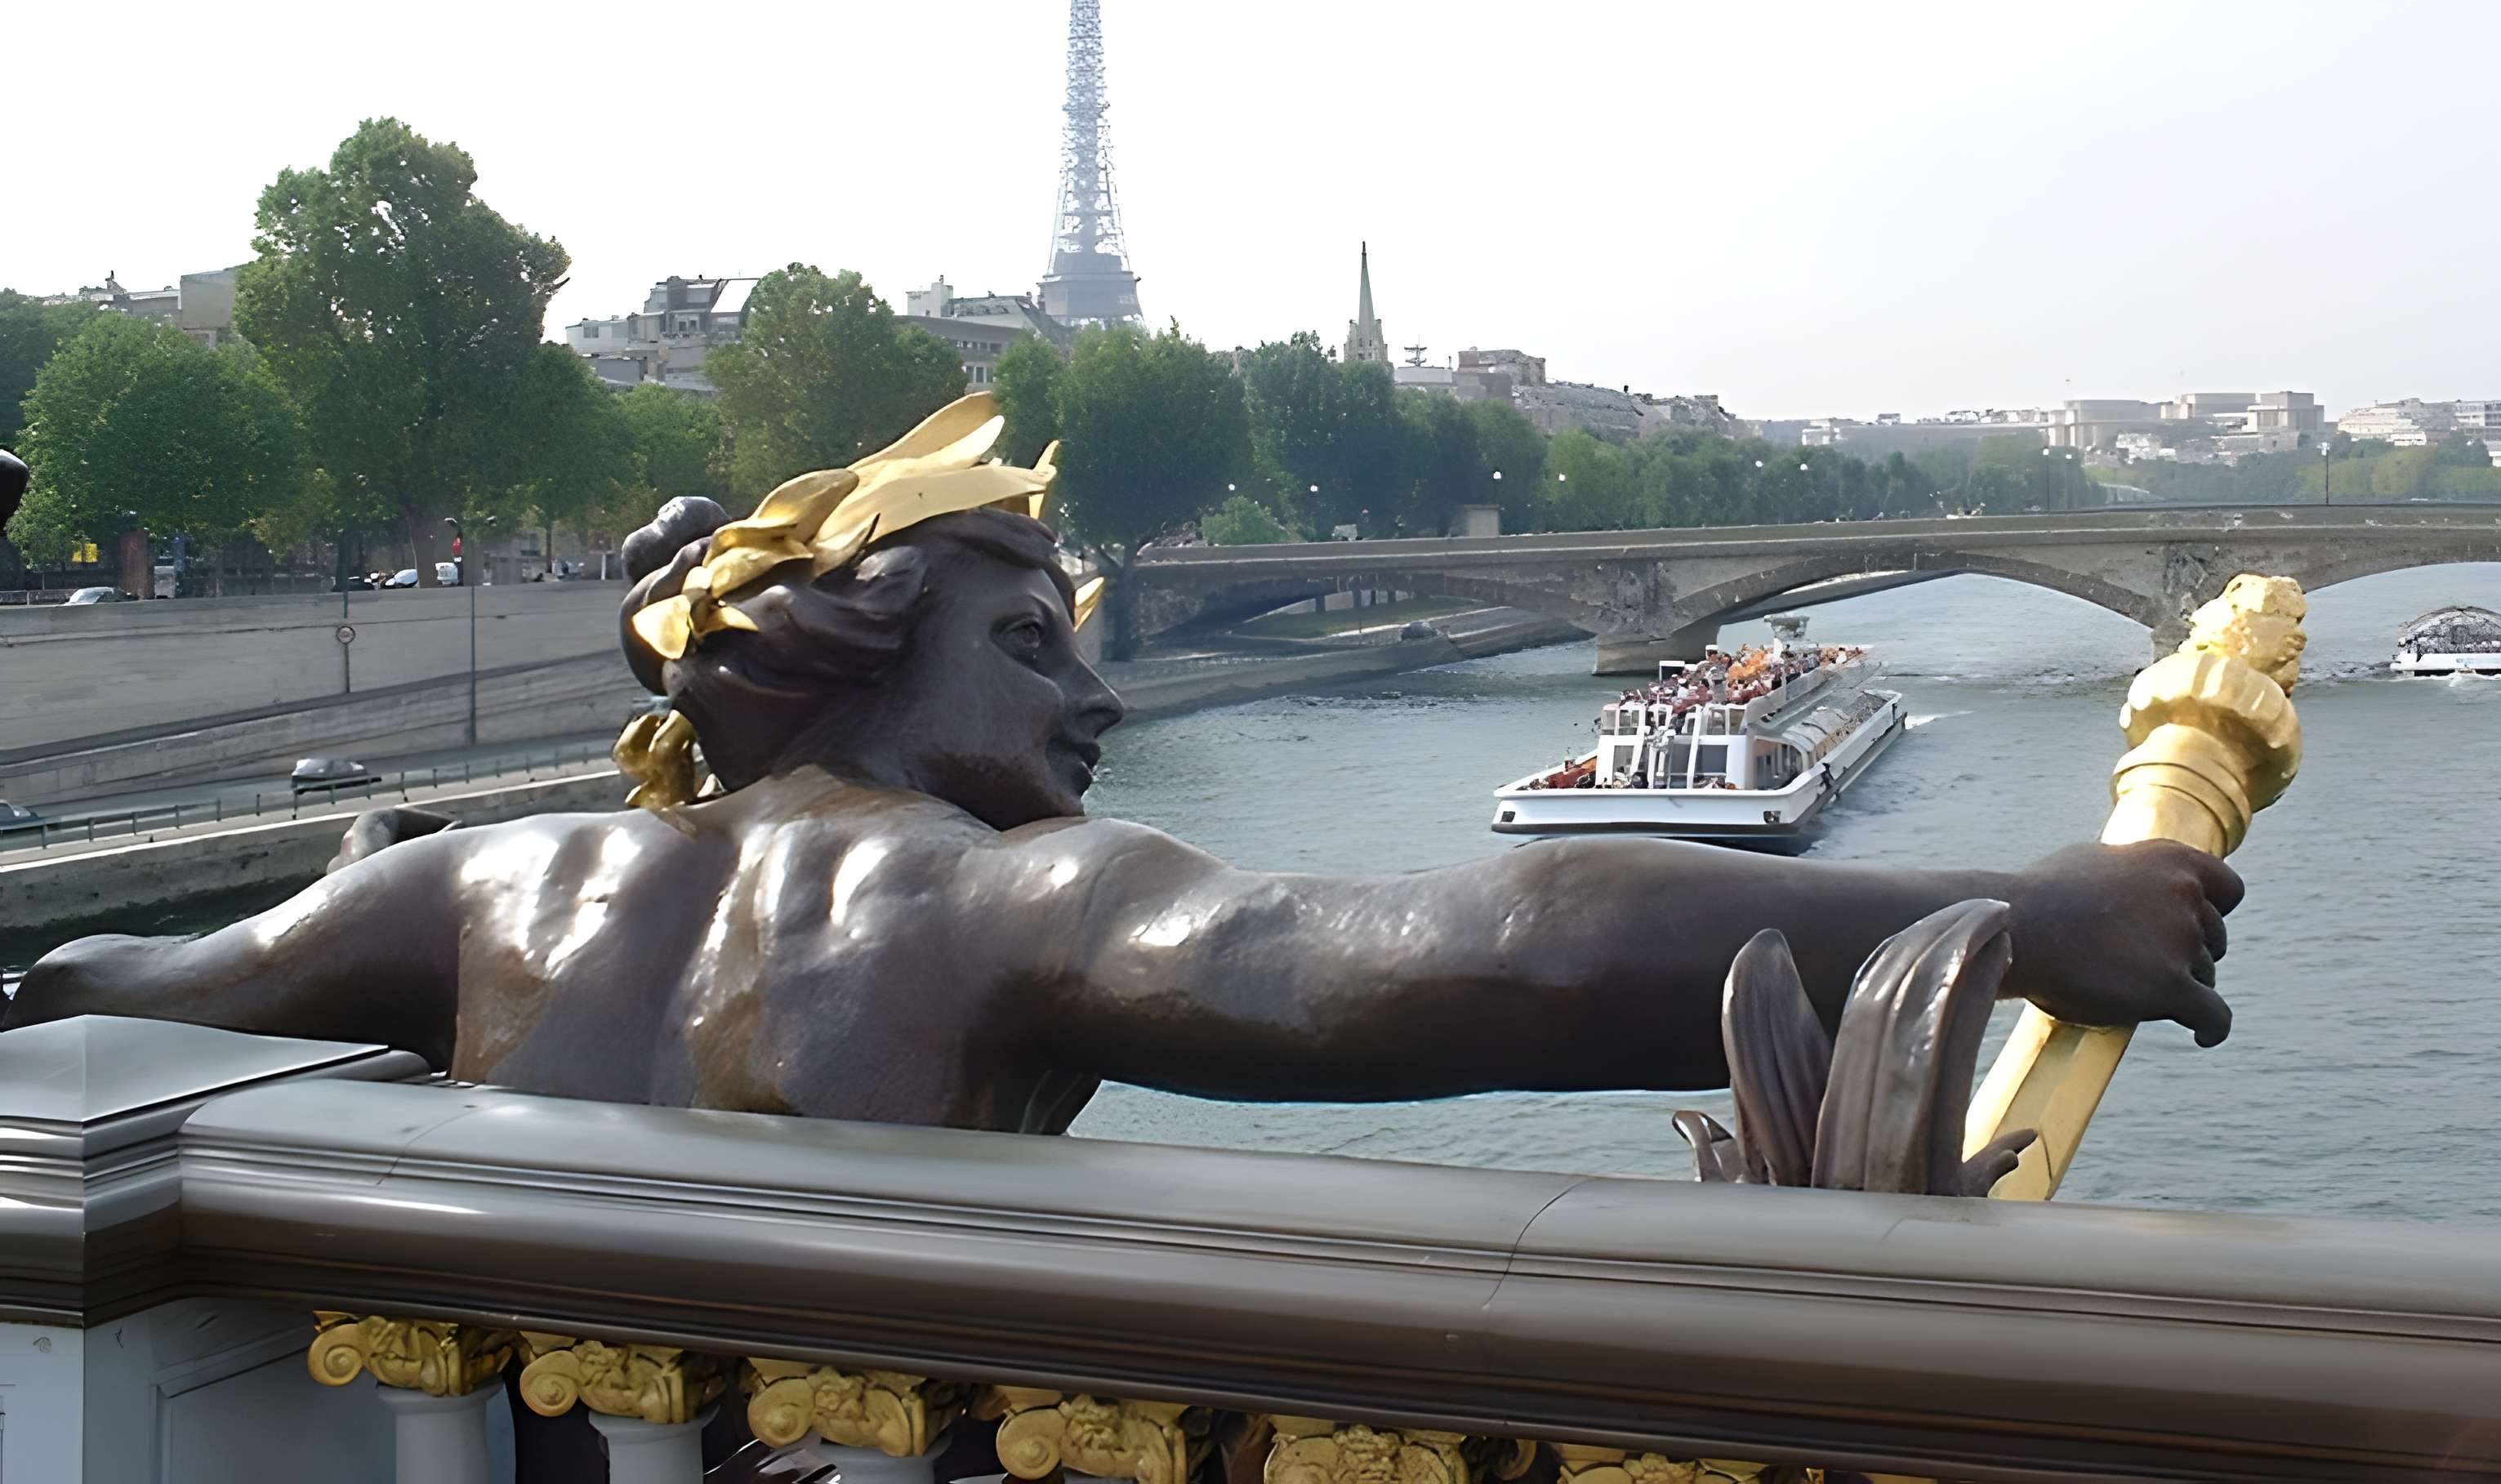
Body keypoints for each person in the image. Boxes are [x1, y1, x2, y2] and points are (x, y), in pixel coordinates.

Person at [1, 403, 2239, 1135]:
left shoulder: (486, 889)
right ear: (880, 645)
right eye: (1033, 634)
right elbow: (1503, 942)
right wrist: (2029, 918)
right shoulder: (984, 899)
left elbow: (111, 984)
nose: (1085, 693)